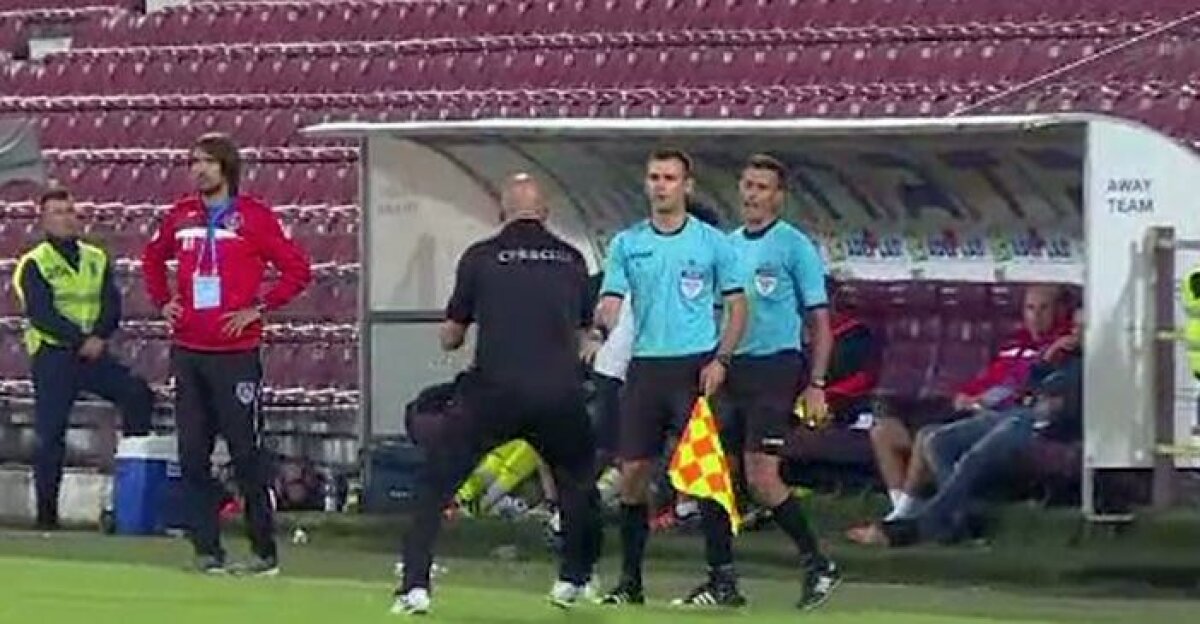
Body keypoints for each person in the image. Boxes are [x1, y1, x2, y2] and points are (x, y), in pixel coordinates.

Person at [392, 173, 601, 615]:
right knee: (579, 485)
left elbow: (451, 336)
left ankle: (415, 587)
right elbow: (585, 333)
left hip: (494, 391)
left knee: (435, 483)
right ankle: (574, 579)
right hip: (557, 392)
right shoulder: (572, 259)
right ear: (545, 213)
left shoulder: (481, 256)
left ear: (501, 210)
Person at [674, 154, 841, 610]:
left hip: (774, 368)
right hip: (730, 368)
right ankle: (721, 581)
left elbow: (819, 321)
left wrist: (817, 383)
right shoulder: (727, 247)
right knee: (711, 474)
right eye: (747, 185)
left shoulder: (794, 246)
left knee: (762, 478)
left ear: (778, 197)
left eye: (762, 187)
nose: (751, 195)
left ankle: (819, 563)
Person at [141, 133, 312, 574]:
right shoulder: (181, 215)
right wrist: (163, 301)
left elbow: (297, 270)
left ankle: (263, 551)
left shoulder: (254, 217)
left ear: (227, 168)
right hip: (189, 351)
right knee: (192, 454)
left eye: (208, 162)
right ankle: (207, 550)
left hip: (236, 354)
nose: (199, 170)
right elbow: (152, 259)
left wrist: (259, 308)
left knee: (246, 454)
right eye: (194, 162)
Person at [593, 149, 748, 606]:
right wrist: (606, 315)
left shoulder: (711, 242)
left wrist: (722, 359)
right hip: (645, 368)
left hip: (693, 367)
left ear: (687, 186)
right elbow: (611, 298)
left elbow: (738, 306)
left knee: (705, 473)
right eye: (654, 177)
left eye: (669, 178)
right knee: (633, 474)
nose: (661, 185)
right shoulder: (627, 243)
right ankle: (630, 582)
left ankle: (723, 580)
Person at [12, 186, 153, 530]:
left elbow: (111, 304)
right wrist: (81, 340)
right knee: (50, 434)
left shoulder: (95, 257)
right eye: (58, 212)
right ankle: (47, 516)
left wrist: (99, 337)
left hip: (92, 353)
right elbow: (42, 314)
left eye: (70, 211)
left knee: (137, 394)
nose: (66, 218)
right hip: (54, 355)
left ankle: (128, 491)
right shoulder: (34, 263)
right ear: (43, 220)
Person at [866, 285, 1069, 523]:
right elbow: (986, 380)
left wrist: (984, 400)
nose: (1035, 316)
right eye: (1030, 308)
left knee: (929, 438)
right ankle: (904, 509)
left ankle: (909, 519)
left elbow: (1022, 390)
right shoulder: (1014, 345)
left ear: (1060, 311)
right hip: (968, 410)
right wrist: (966, 394)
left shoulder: (1062, 348)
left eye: (1044, 309)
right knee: (883, 432)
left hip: (1002, 418)